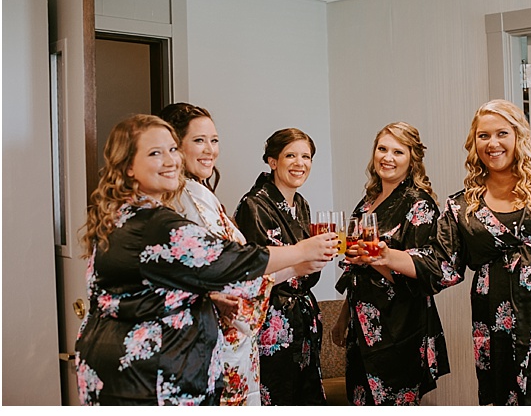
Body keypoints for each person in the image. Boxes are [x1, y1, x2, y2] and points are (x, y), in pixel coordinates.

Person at [75, 115, 337, 405]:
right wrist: (303, 251)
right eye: (155, 153)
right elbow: (231, 260)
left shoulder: (122, 214)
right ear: (128, 167)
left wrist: (206, 297)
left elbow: (153, 284)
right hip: (148, 377)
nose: (170, 160)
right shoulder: (157, 225)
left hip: (132, 368)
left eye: (173, 149)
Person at [368, 100, 531, 405]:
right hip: (499, 326)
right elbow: (442, 265)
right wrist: (385, 256)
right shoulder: (461, 206)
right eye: (483, 136)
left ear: (518, 136)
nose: (492, 143)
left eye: (501, 133)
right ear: (474, 144)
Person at [157, 102, 284, 406]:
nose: (210, 150)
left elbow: (238, 268)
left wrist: (302, 262)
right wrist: (207, 294)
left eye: (214, 141)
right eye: (199, 140)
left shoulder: (205, 197)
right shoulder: (169, 204)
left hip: (233, 344)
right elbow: (165, 272)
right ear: (174, 146)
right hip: (199, 341)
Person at [331, 122, 450, 405]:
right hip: (362, 326)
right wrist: (343, 317)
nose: (388, 157)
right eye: (382, 149)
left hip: (398, 328)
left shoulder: (419, 205)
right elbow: (355, 264)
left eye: (398, 151)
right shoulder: (367, 203)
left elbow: (423, 276)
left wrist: (375, 260)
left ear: (412, 159)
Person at [235, 128, 329, 405]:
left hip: (302, 318)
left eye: (306, 156)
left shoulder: (301, 205)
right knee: (276, 396)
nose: (300, 163)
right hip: (271, 319)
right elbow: (249, 273)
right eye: (291, 155)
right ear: (272, 161)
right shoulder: (253, 205)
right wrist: (301, 264)